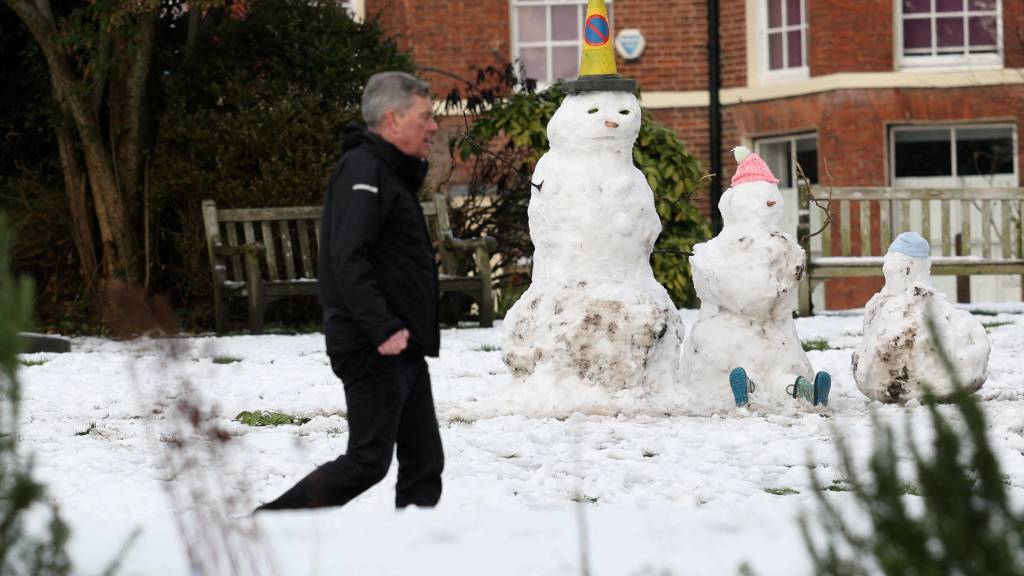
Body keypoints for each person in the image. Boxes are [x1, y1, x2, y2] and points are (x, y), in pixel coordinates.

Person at [257, 72, 443, 510]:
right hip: (372, 342)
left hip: (402, 342)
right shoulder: (364, 169)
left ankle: (417, 542)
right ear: (393, 119)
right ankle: (263, 527)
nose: (433, 126)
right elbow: (347, 257)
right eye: (425, 117)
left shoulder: (389, 171)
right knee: (368, 460)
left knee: (424, 462)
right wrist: (381, 327)